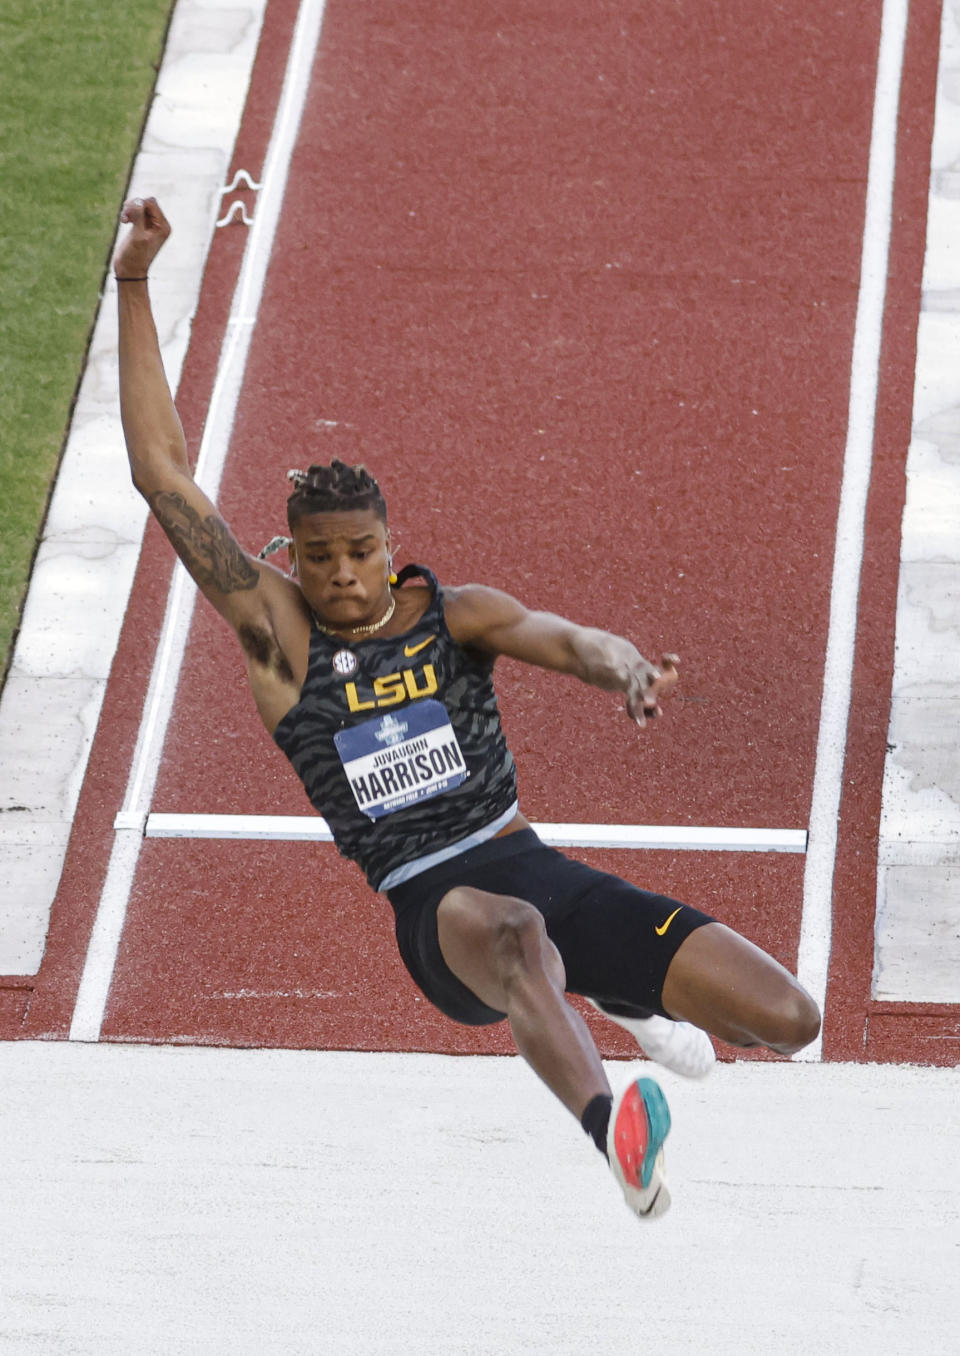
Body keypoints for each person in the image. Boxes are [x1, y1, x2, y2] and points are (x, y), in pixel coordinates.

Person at [114, 196, 821, 1220]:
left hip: (531, 859)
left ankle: (619, 994)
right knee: (521, 936)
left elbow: (570, 641)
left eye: (359, 553)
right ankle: (613, 1134)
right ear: (292, 561)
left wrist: (623, 668)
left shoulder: (454, 615)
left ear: (387, 542)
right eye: (319, 560)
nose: (343, 577)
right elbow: (160, 475)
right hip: (437, 913)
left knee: (787, 1017)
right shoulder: (281, 639)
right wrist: (133, 282)